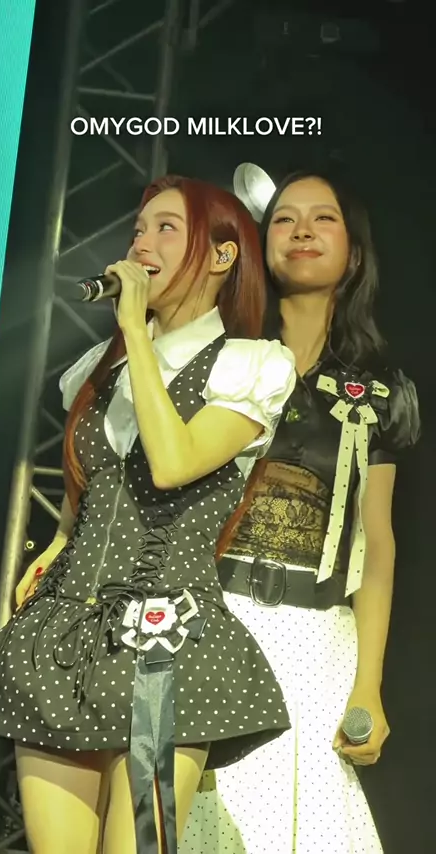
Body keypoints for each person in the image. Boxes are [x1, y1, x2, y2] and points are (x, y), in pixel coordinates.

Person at [0, 174, 296, 854]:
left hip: (166, 643)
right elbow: (92, 484)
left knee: (140, 844)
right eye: (139, 229)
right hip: (60, 635)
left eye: (167, 229)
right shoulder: (97, 367)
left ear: (222, 256)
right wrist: (59, 541)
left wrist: (136, 333)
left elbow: (173, 464)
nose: (141, 243)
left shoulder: (251, 365)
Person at [179, 167, 420, 853]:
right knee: (195, 815)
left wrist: (369, 685)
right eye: (284, 217)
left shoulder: (380, 390)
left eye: (324, 217)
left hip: (318, 639)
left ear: (355, 253)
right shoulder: (217, 358)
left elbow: (377, 543)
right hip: (208, 614)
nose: (303, 230)